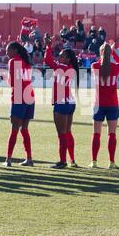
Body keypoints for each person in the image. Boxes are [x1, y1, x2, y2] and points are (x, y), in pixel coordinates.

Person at [44, 36, 79, 169]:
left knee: (61, 134)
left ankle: (62, 161)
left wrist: (48, 46)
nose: (59, 56)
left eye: (62, 55)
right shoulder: (70, 67)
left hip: (62, 103)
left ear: (68, 58)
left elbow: (48, 60)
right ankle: (72, 159)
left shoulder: (62, 67)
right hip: (70, 102)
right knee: (68, 132)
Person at [90, 43, 119, 169]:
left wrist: (105, 53)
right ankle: (111, 162)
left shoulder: (95, 66)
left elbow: (101, 62)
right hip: (112, 104)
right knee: (112, 134)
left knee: (96, 134)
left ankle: (94, 161)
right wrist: (113, 52)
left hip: (98, 104)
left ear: (100, 53)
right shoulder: (116, 67)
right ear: (111, 54)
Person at [1, 41, 35, 168]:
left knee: (14, 129)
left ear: (15, 50)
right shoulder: (27, 62)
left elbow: (13, 83)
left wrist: (4, 78)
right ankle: (29, 158)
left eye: (8, 50)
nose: (6, 52)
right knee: (24, 129)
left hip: (19, 97)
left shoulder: (13, 61)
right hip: (30, 96)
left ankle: (8, 159)